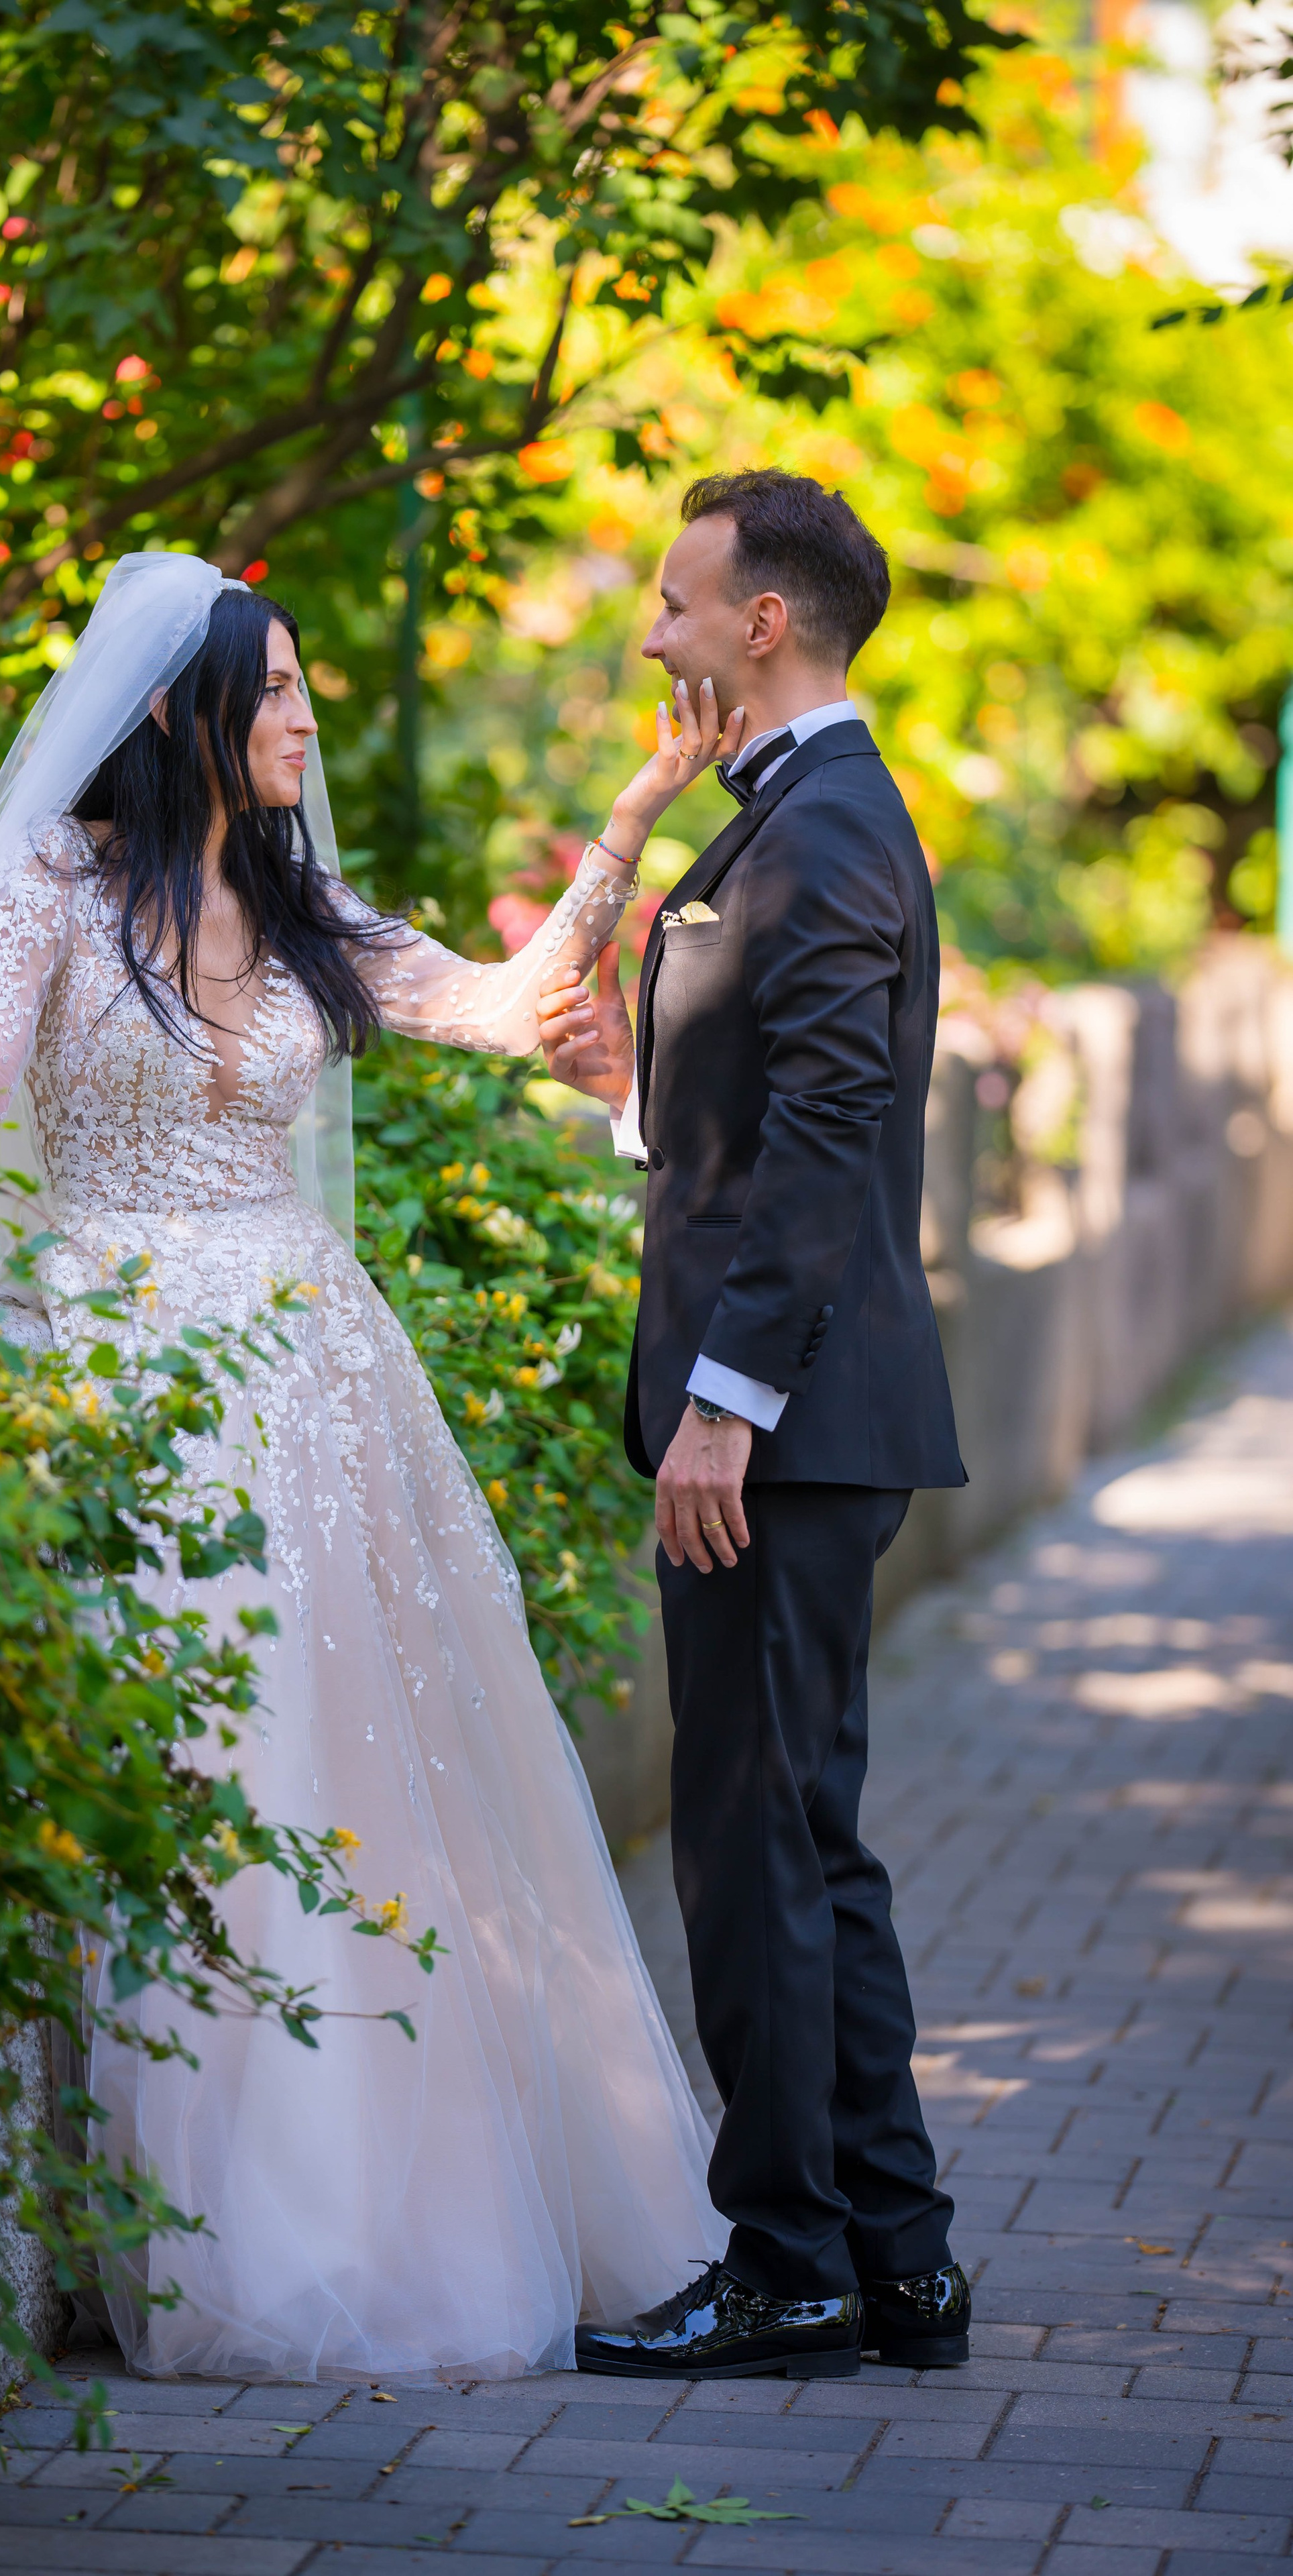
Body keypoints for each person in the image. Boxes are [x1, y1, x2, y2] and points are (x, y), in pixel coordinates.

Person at [0, 551, 734, 2383]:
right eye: (277, 688)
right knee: (198, 1779)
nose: (306, 717)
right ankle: (211, 2230)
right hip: (115, 1379)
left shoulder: (304, 909)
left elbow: (511, 1007)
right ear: (189, 713)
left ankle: (371, 2219)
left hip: (319, 1383)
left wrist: (630, 814)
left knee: (350, 1776)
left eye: (303, 685)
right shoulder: (47, 889)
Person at [537, 469, 971, 2382]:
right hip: (800, 1414)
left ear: (763, 623)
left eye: (676, 601)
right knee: (811, 1842)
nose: (656, 634)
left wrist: (723, 1409)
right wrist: (635, 1092)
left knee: (750, 1849)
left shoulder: (826, 832)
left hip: (781, 1431)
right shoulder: (801, 821)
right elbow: (767, 1122)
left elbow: (823, 1146)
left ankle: (789, 2264)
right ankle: (894, 2258)